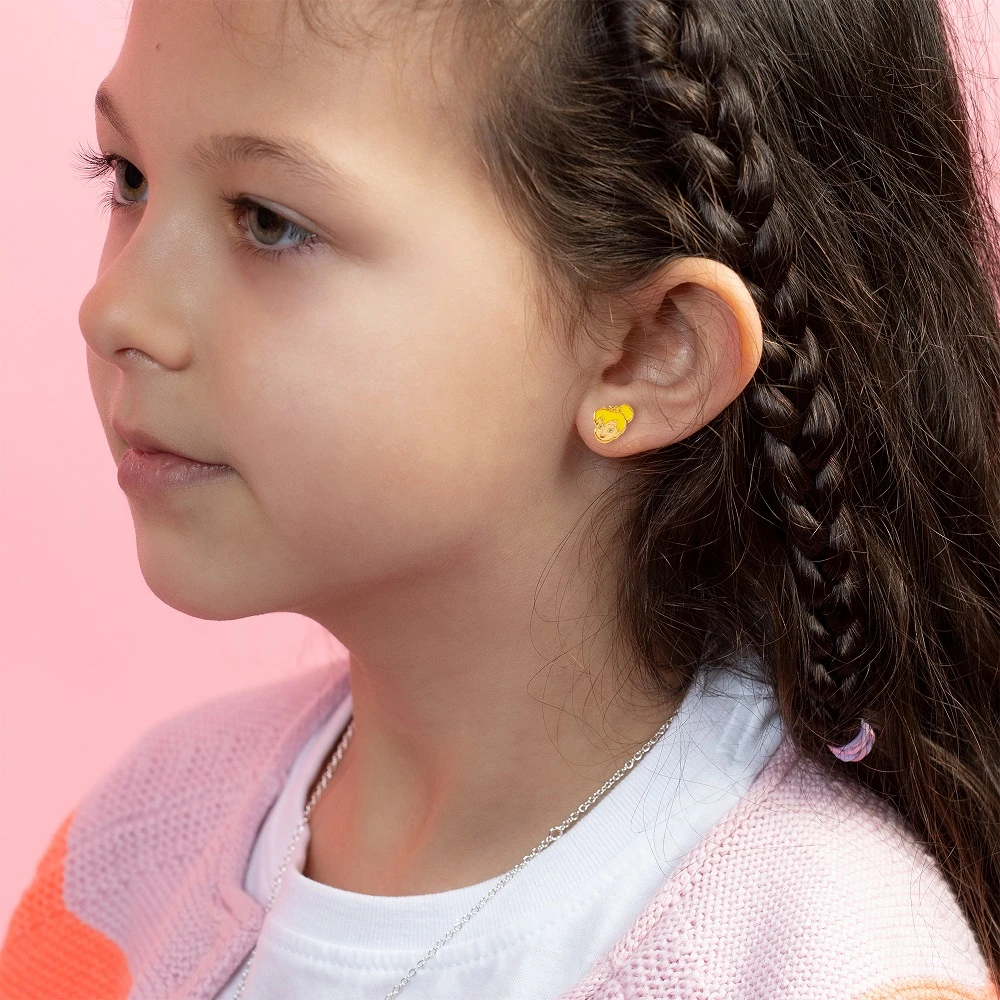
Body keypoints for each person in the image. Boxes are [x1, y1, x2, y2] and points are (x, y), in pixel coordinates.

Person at [2, 0, 999, 996]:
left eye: (269, 221)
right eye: (128, 177)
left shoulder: (822, 964)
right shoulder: (133, 845)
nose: (114, 309)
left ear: (646, 352)